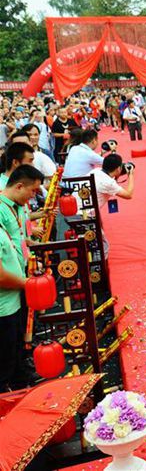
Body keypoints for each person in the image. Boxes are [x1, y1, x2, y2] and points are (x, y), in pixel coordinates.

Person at [0, 165, 43, 391]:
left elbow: (16, 242)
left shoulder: (13, 207)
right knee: (5, 358)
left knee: (16, 347)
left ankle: (19, 382)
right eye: (33, 192)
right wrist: (28, 283)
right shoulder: (2, 210)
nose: (33, 198)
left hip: (15, 293)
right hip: (4, 302)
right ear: (19, 186)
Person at [89, 154, 134, 255]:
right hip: (85, 215)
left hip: (78, 208)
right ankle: (100, 267)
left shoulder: (95, 171)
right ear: (118, 168)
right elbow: (129, 195)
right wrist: (131, 174)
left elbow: (109, 180)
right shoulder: (108, 183)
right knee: (103, 246)